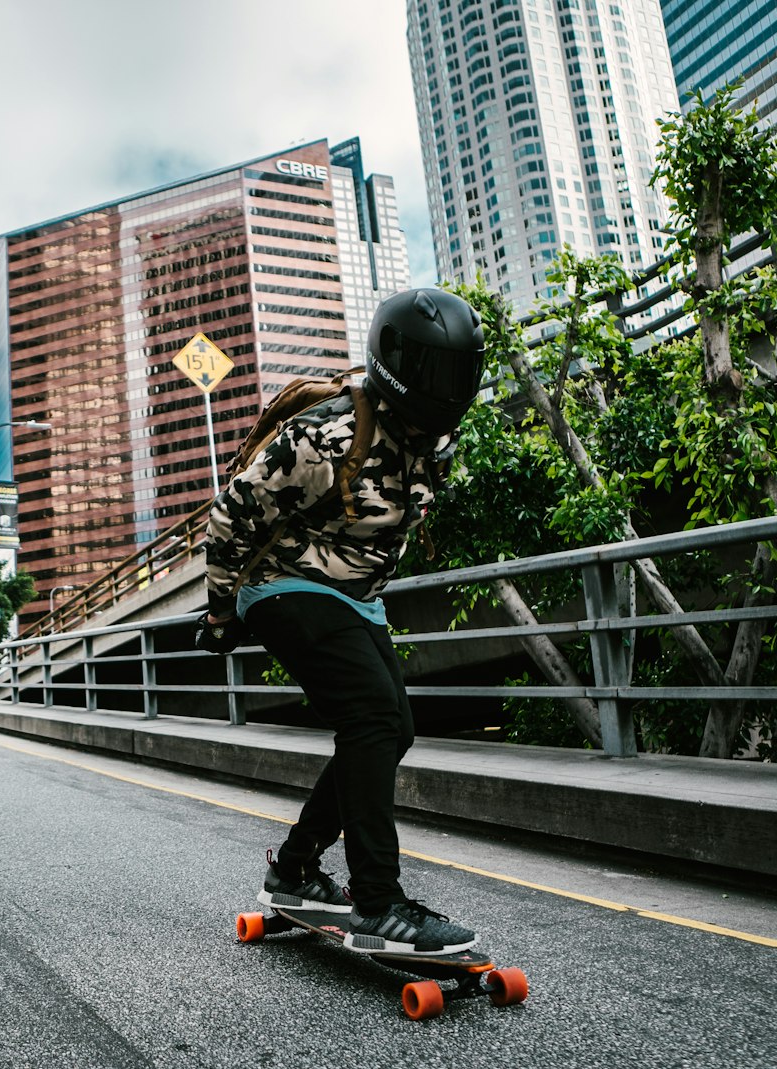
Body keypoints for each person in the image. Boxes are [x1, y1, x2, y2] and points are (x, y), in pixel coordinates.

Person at [197, 287, 487, 956]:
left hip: (356, 595)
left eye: (459, 374)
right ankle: (380, 903)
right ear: (395, 364)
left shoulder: (438, 439)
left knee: (393, 727)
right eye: (435, 373)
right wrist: (219, 609)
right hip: (284, 584)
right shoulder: (322, 436)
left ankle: (294, 868)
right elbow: (229, 513)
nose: (448, 391)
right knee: (373, 716)